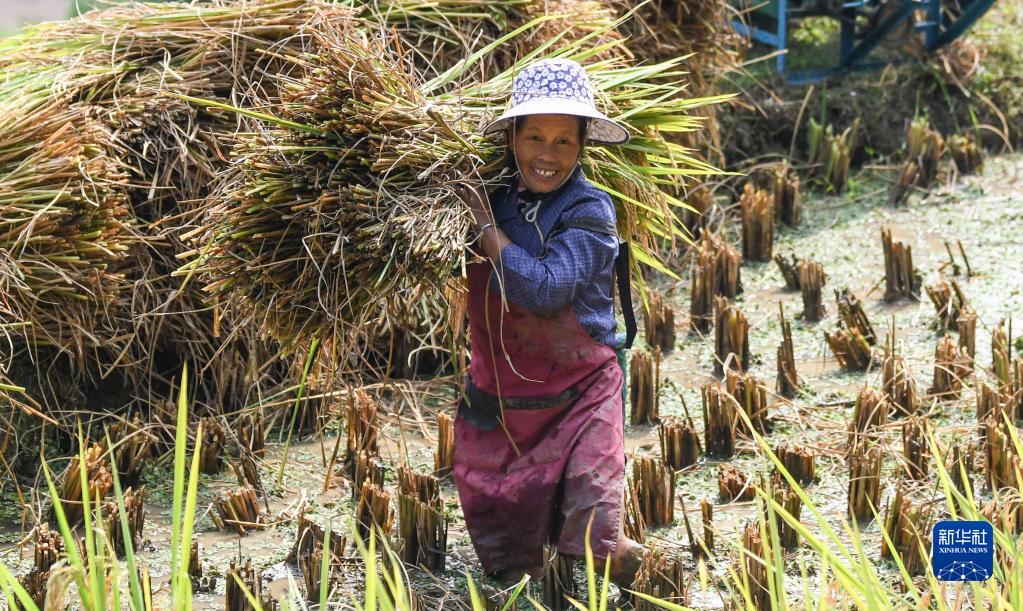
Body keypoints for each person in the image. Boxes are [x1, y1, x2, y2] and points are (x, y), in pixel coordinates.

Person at [453, 58, 644, 588]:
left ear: (583, 145)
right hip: (504, 395)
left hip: (580, 394)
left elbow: (544, 288)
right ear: (512, 137)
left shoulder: (590, 210)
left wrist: (488, 233)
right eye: (534, 135)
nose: (547, 154)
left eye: (564, 141)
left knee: (596, 532)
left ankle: (651, 579)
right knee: (506, 553)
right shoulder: (487, 199)